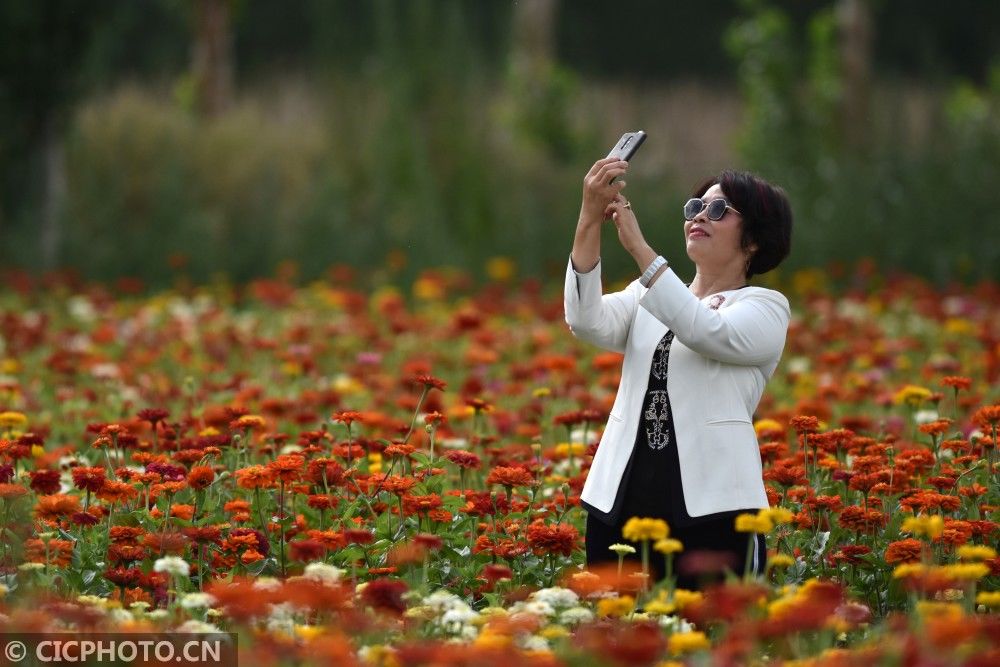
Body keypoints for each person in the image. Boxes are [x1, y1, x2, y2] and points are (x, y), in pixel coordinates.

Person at [564, 157, 793, 589]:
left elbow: (705, 330)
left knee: (713, 643)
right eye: (695, 208)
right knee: (617, 642)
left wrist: (640, 250)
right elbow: (585, 319)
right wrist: (589, 219)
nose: (700, 216)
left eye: (719, 210)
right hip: (621, 502)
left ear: (755, 239)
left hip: (716, 511)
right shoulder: (647, 295)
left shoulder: (765, 307)